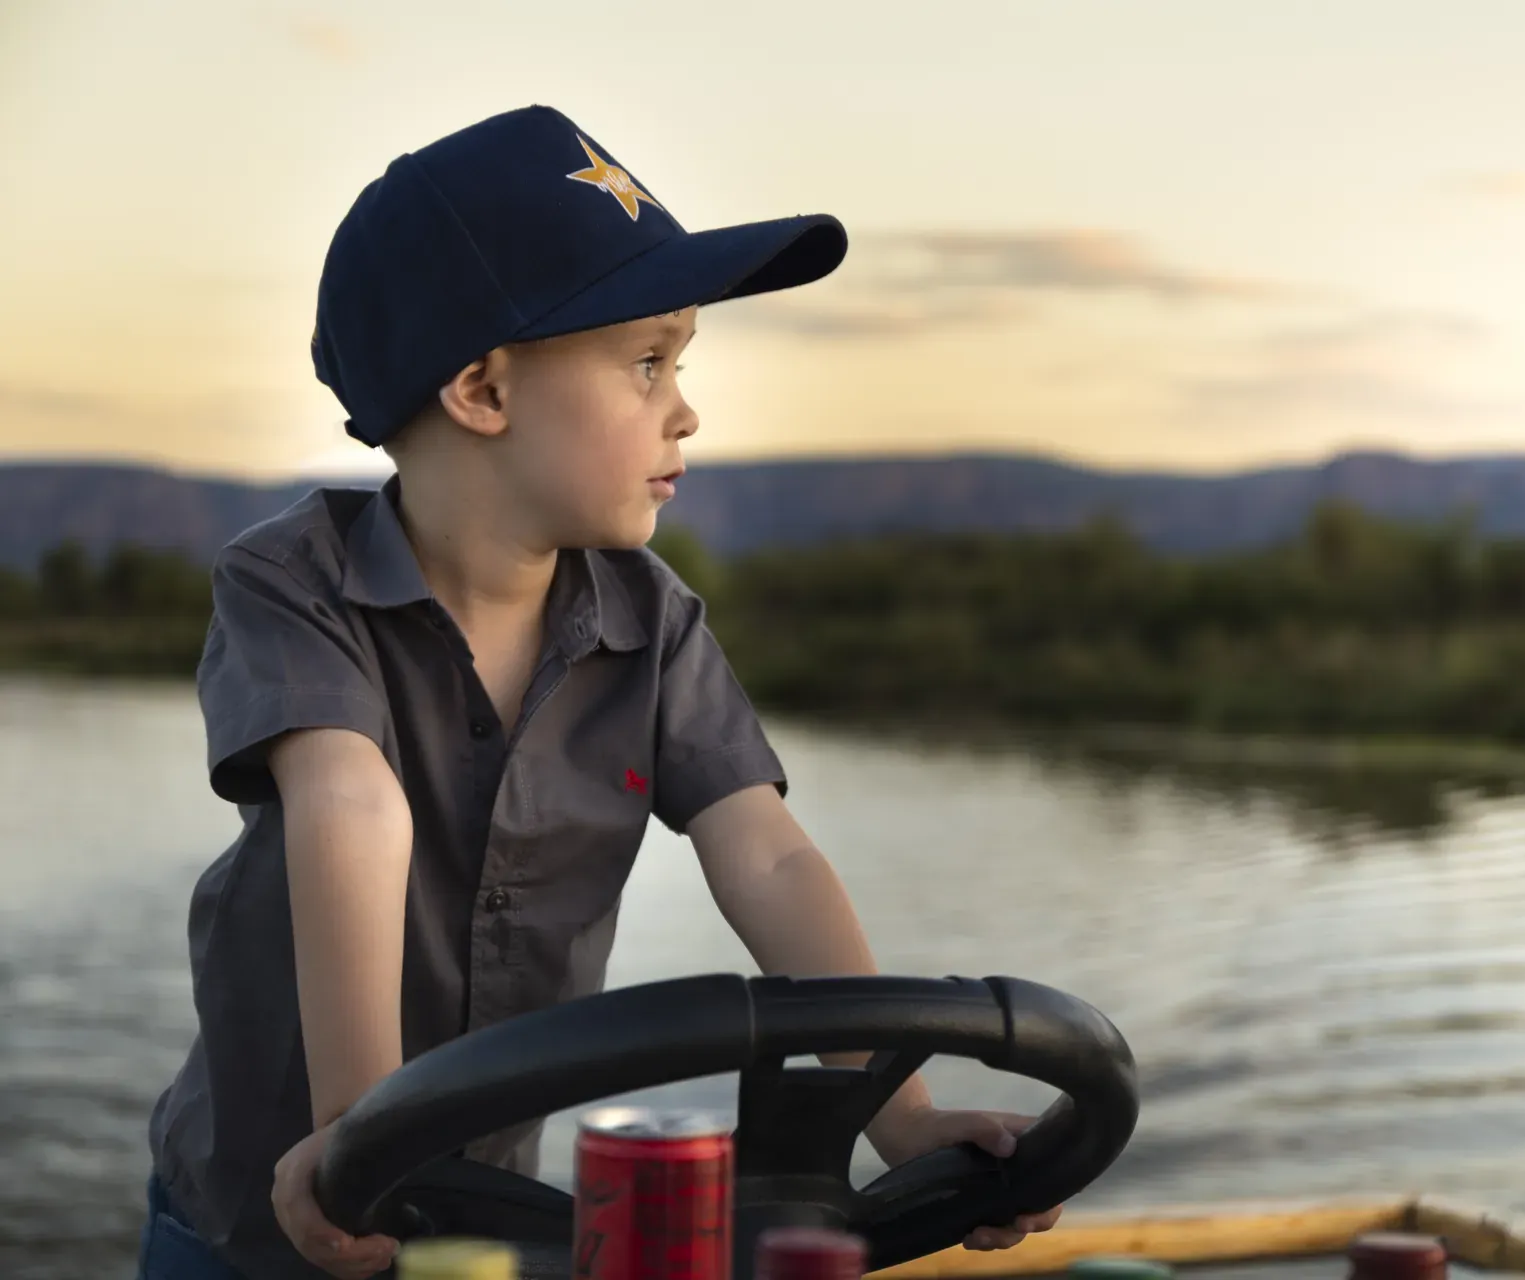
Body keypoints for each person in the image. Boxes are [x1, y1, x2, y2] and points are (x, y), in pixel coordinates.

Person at [136, 105, 1061, 1280]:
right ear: (483, 389)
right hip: (260, 1219)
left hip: (479, 1218)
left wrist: (904, 1114)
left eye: (683, 362)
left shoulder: (653, 622)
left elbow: (767, 854)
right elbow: (349, 803)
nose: (686, 408)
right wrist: (358, 1136)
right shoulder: (292, 582)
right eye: (646, 362)